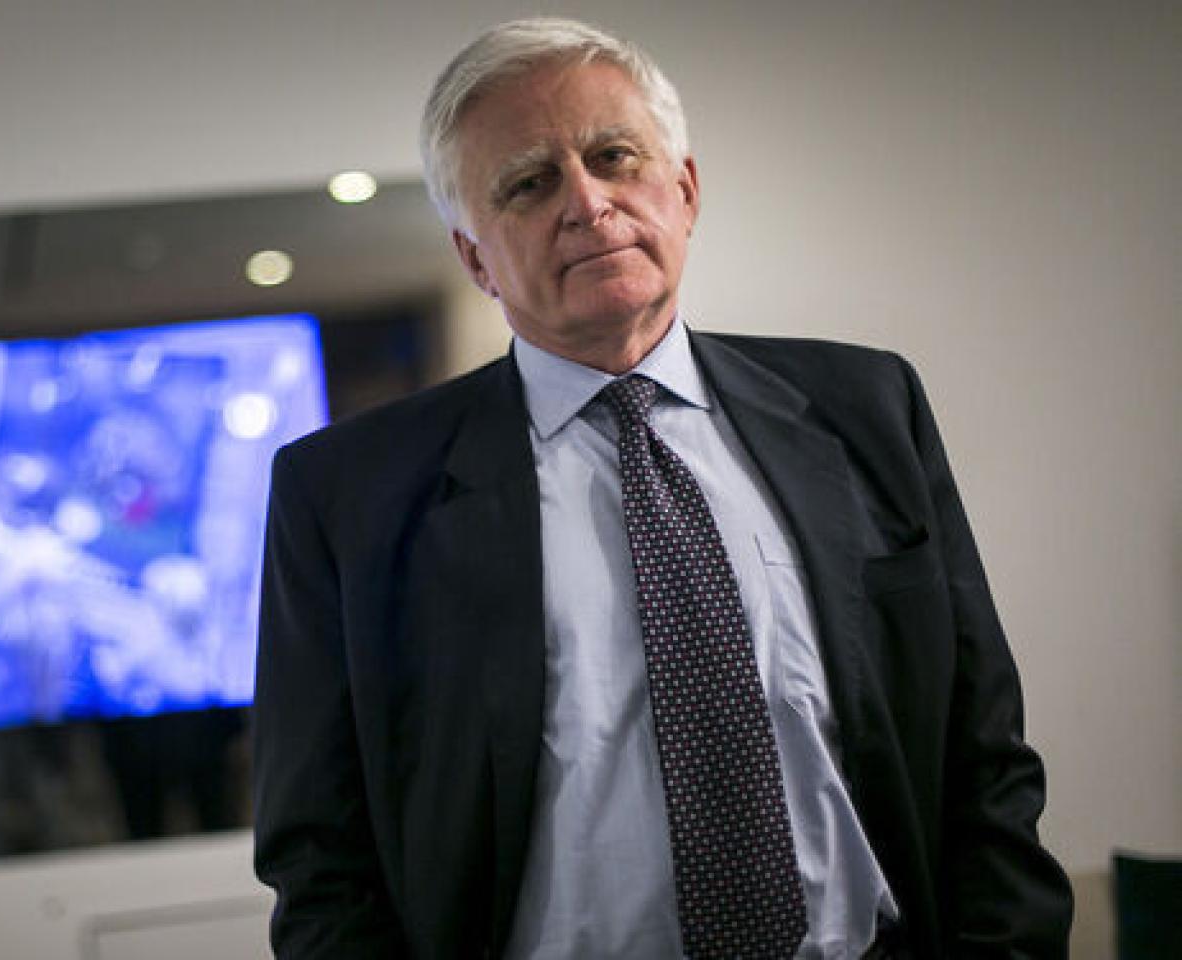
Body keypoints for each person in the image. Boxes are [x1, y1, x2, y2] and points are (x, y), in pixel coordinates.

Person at [252, 16, 1071, 960]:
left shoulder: (869, 408)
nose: (587, 202)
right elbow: (321, 858)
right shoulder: (346, 497)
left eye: (613, 157)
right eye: (529, 183)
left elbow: (983, 751)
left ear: (684, 190)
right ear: (475, 258)